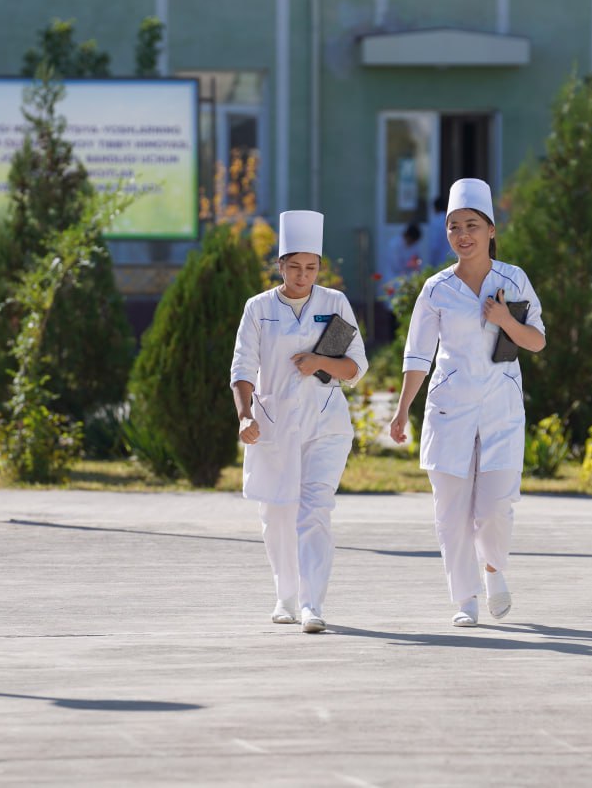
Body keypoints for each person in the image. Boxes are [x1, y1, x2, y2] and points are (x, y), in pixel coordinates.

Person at [387, 178, 546, 627]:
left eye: (472, 225)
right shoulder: (436, 289)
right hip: (448, 408)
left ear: (491, 230)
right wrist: (402, 410)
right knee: (451, 512)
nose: (463, 235)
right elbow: (418, 354)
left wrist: (502, 320)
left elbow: (536, 340)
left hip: (501, 407)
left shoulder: (513, 280)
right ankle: (465, 600)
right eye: (454, 226)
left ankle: (494, 569)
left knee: (496, 506)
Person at [230, 210, 369, 634]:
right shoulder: (258, 308)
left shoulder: (335, 303)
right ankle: (285, 595)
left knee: (315, 511)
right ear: (280, 266)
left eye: (310, 268)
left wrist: (318, 361)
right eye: (294, 267)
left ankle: (313, 604)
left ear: (319, 268)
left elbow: (355, 368)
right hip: (273, 425)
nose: (302, 275)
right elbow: (242, 367)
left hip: (326, 425)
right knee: (276, 514)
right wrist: (244, 415)